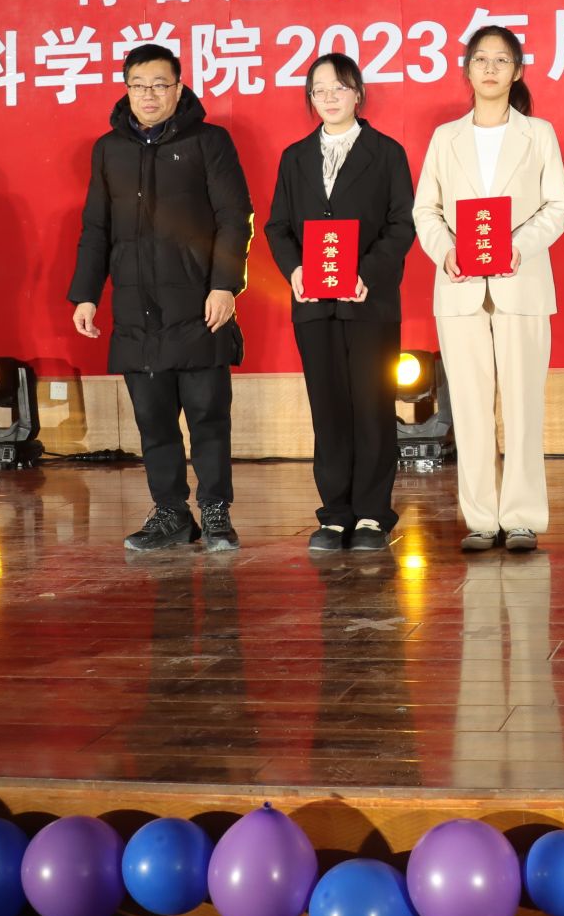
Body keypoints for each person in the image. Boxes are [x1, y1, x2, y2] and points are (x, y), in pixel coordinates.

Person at [68, 42, 253, 552]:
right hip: (136, 308)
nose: (148, 95)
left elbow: (234, 218)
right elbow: (96, 227)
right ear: (126, 89)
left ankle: (215, 512)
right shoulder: (109, 149)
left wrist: (224, 285)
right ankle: (171, 513)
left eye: (159, 85)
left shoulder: (209, 142)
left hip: (198, 305)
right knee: (152, 420)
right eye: (138, 86)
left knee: (208, 416)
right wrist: (86, 295)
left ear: (178, 87)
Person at [412, 26, 564, 553]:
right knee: (470, 407)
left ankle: (522, 516)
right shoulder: (445, 137)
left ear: (517, 71)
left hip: (520, 283)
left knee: (524, 405)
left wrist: (518, 245)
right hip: (459, 287)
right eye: (480, 59)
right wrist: (446, 249)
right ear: (467, 69)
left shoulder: (538, 133)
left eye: (501, 60)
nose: (490, 69)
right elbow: (425, 210)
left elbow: (558, 205)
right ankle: (481, 518)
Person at [262, 53, 417, 553]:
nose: (329, 98)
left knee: (371, 404)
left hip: (369, 301)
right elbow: (277, 226)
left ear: (358, 94)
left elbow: (402, 224)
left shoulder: (386, 153)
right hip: (313, 302)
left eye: (339, 88)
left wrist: (365, 272)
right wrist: (295, 269)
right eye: (319, 90)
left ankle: (373, 513)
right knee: (327, 406)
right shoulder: (295, 157)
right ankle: (334, 514)